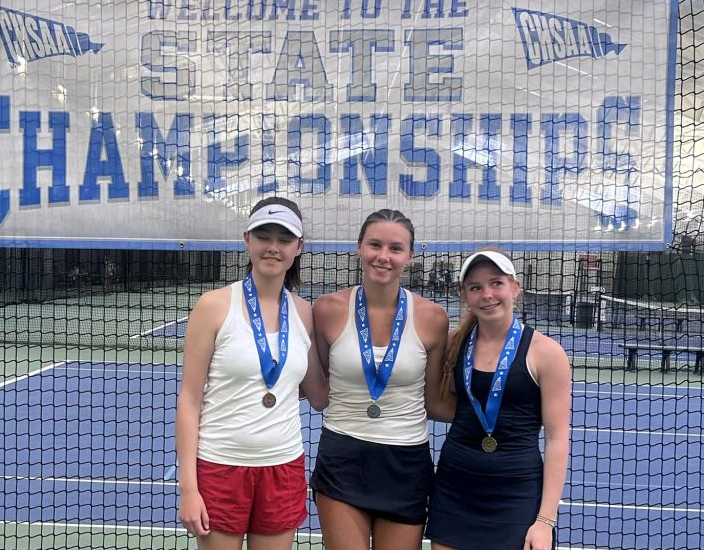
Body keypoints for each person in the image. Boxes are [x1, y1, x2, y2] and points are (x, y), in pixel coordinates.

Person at [176, 197, 328, 550]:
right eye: (263, 236)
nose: (273, 247)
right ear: (247, 239)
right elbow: (189, 400)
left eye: (284, 239)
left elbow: (319, 395)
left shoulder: (305, 313)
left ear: (299, 247)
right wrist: (189, 489)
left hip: (283, 468)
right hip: (220, 466)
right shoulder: (213, 306)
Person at [310, 209, 449, 550]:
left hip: (405, 463)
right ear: (359, 247)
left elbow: (434, 402)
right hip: (343, 457)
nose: (383, 257)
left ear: (410, 256)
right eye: (374, 244)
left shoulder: (433, 318)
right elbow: (318, 395)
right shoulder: (326, 309)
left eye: (395, 248)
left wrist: (503, 423)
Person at [426, 249, 572, 550]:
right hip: (456, 488)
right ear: (464, 294)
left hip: (516, 496)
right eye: (475, 287)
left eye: (496, 283)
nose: (487, 294)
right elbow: (439, 405)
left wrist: (545, 521)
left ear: (515, 288)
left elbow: (557, 440)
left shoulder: (547, 353)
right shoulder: (453, 343)